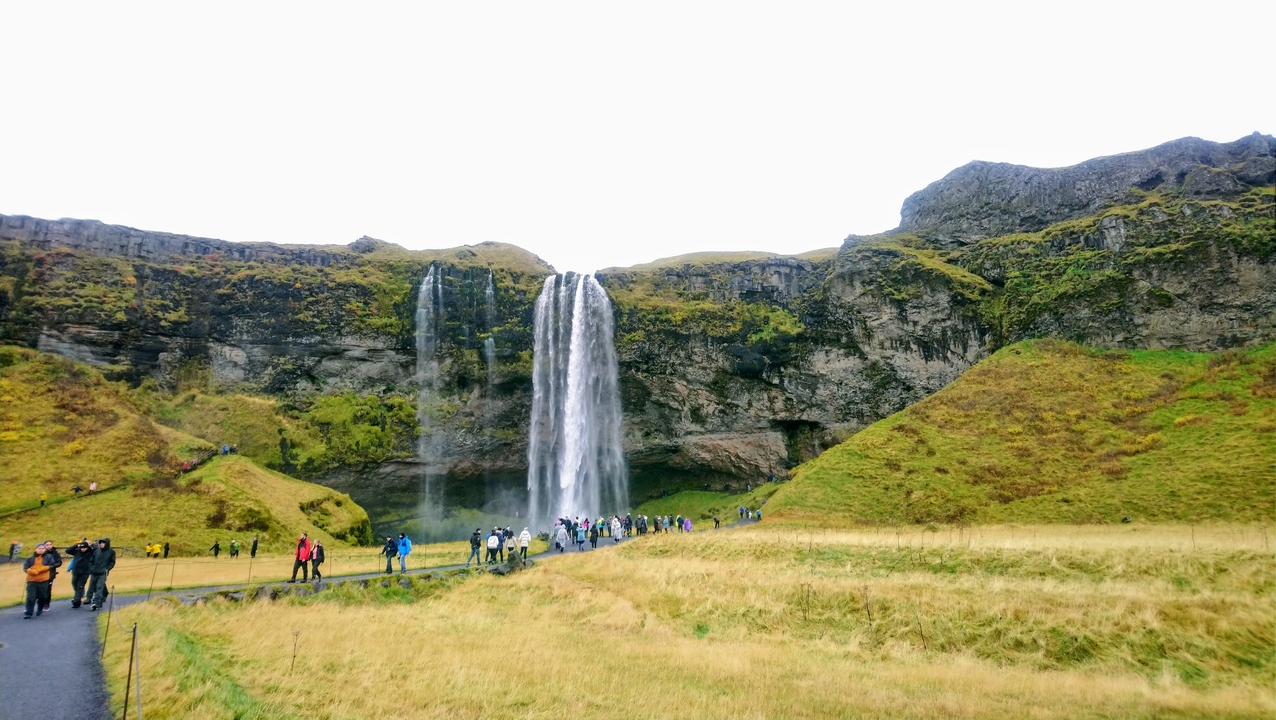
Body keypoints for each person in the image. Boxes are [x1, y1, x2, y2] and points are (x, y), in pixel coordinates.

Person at [23, 544, 54, 619]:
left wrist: (41, 569)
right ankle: (29, 612)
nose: (41, 550)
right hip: (32, 580)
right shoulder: (30, 558)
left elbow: (52, 565)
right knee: (30, 597)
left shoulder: (48, 557)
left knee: (42, 596)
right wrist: (31, 571)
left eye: (43, 548)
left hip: (43, 580)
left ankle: (40, 608)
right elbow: (25, 568)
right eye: (39, 548)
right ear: (36, 549)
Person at [87, 538, 116, 611]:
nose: (101, 544)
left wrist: (107, 569)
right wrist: (92, 568)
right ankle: (96, 600)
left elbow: (112, 562)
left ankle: (96, 602)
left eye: (103, 543)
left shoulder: (111, 552)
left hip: (103, 573)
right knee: (92, 586)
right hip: (94, 572)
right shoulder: (96, 551)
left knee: (99, 587)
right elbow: (91, 561)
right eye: (100, 543)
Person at [65, 538, 94, 608]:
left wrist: (92, 545)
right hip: (76, 571)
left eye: (85, 548)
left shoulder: (90, 552)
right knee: (74, 583)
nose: (83, 549)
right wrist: (76, 545)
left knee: (80, 586)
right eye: (82, 548)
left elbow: (96, 550)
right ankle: (78, 596)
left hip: (85, 572)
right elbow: (67, 550)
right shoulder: (77, 551)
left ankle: (76, 600)